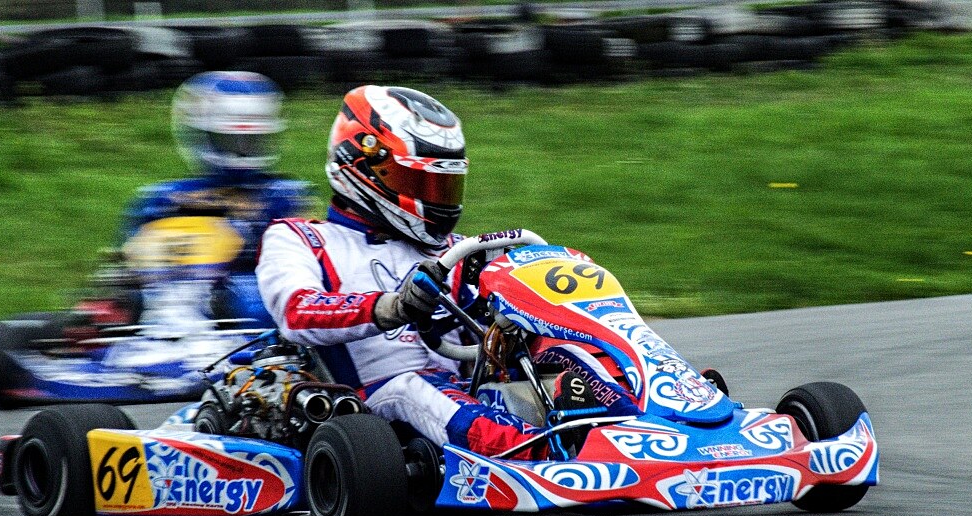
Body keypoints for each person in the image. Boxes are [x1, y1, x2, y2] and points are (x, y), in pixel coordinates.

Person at [255, 85, 636, 459]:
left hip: (465, 386)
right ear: (362, 167)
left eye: (444, 185)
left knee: (568, 351)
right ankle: (535, 455)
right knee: (415, 387)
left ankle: (636, 424)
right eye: (419, 182)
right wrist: (393, 307)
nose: (435, 198)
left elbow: (492, 329)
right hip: (370, 403)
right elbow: (296, 312)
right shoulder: (300, 238)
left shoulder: (461, 250)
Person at [112, 71, 311, 327]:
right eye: (229, 141)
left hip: (240, 315)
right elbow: (126, 264)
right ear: (200, 134)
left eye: (251, 141)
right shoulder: (159, 198)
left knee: (249, 298)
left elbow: (302, 270)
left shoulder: (283, 196)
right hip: (158, 307)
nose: (242, 151)